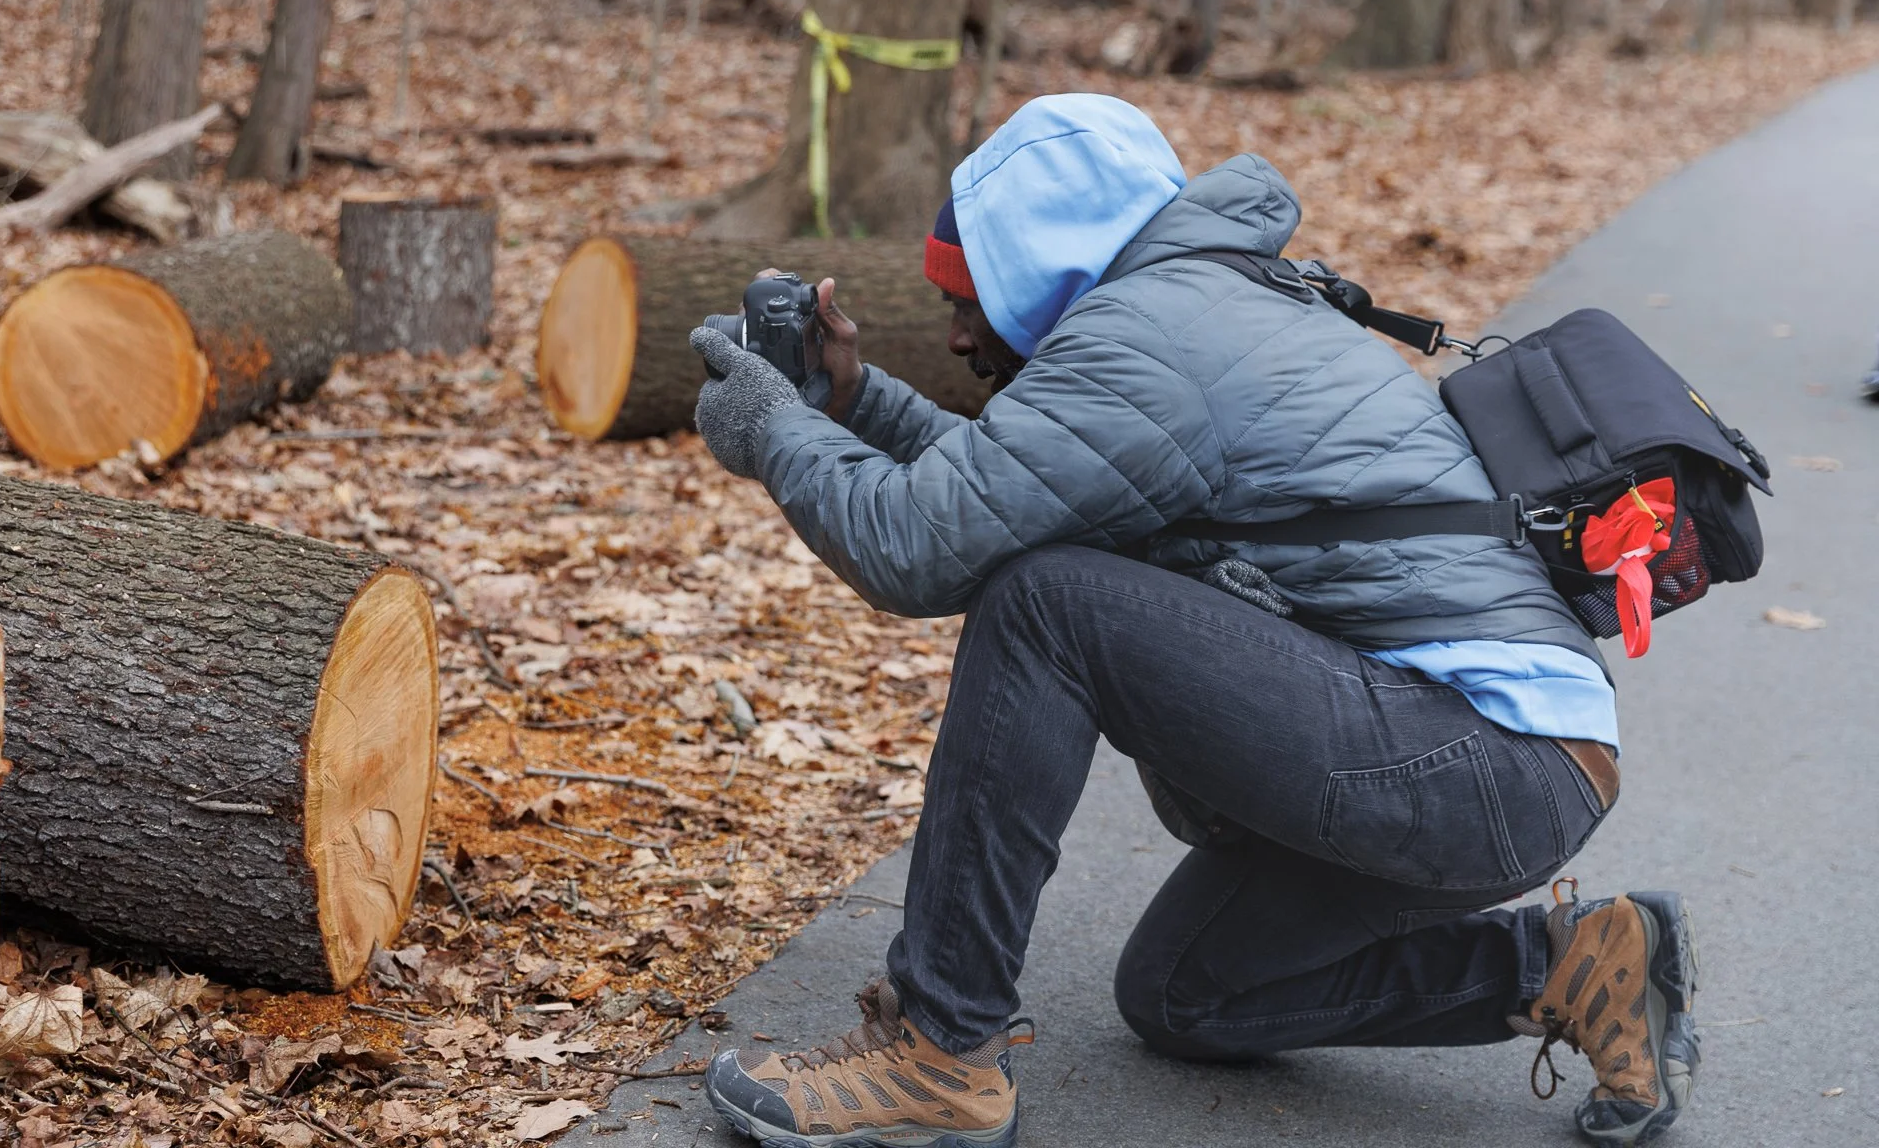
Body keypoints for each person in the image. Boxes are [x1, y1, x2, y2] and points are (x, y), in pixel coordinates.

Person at [684, 95, 1698, 1148]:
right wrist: (852, 403)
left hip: (1476, 758)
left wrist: (777, 430)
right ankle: (1579, 967)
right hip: (1514, 764)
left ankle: (937, 1052)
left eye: (968, 298)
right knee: (1186, 994)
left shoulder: (1145, 342)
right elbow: (1008, 486)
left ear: (1038, 265)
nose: (956, 333)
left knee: (1042, 604)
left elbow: (916, 545)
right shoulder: (1198, 302)